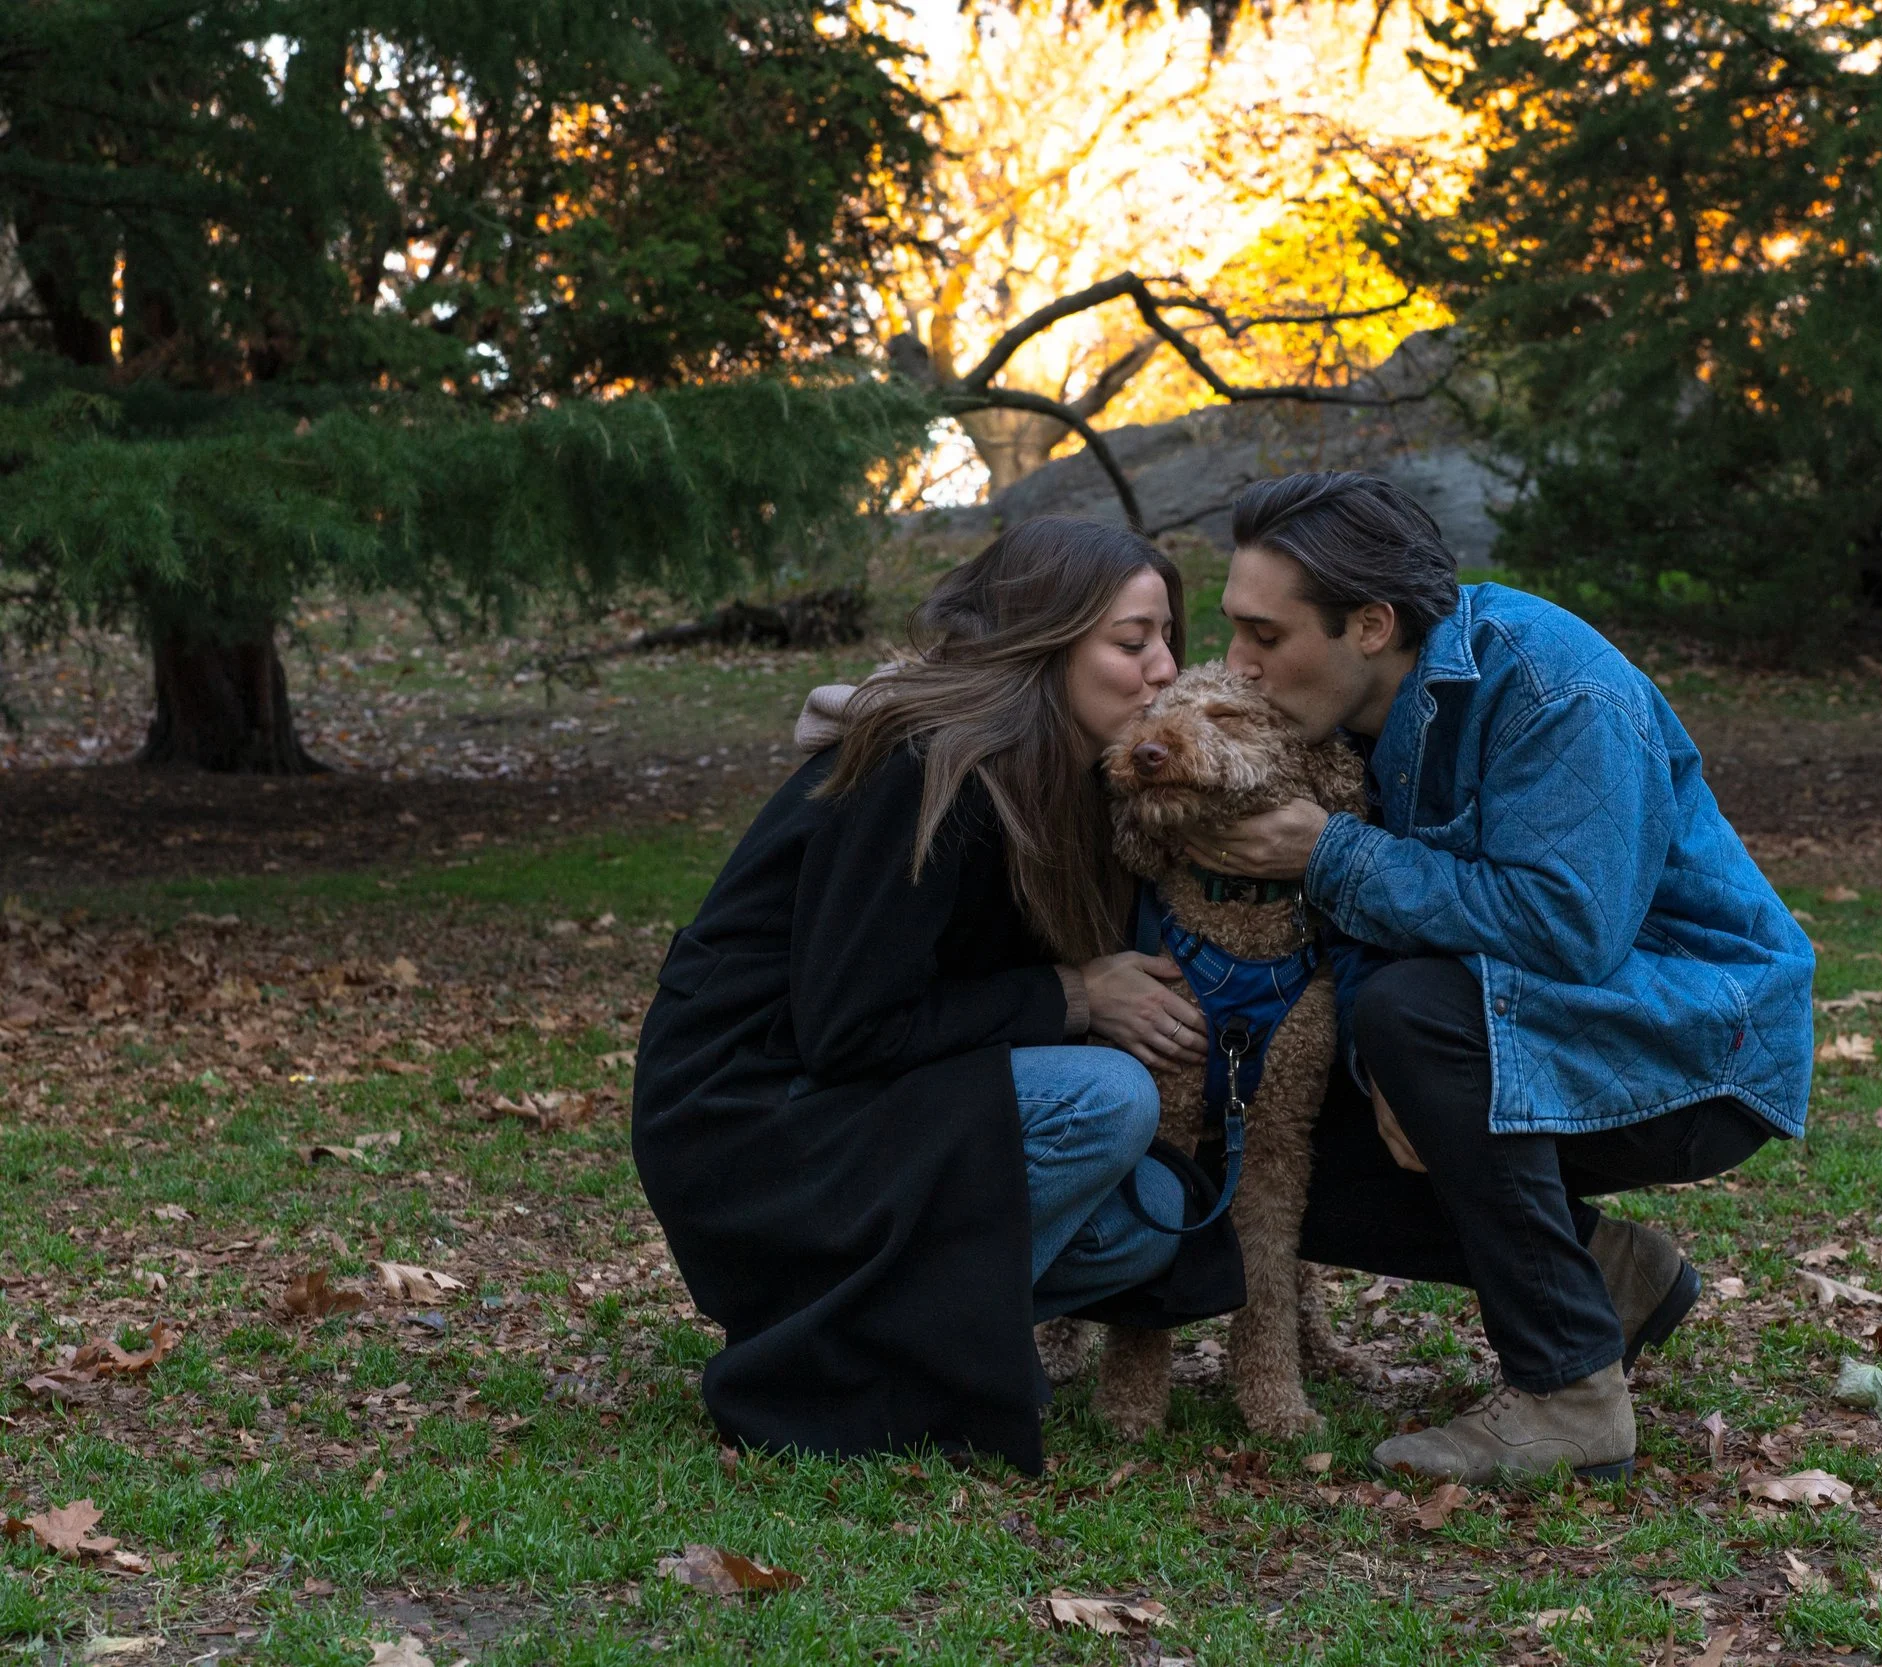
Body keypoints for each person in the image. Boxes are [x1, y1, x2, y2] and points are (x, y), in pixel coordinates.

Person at [1193, 471, 1816, 1484]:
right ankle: (1610, 1275)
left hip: (1697, 1043)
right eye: (1235, 631)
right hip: (1494, 1032)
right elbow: (1358, 945)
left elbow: (1567, 926)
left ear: (1370, 623)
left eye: (1265, 636)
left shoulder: (1554, 684)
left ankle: (1569, 1395)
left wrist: (1330, 856)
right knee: (1269, 1142)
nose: (1240, 665)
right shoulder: (1343, 726)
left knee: (1415, 1010)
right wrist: (1371, 1054)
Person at [632, 517, 1243, 1475]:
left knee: (1149, 1216)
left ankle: (889, 1333)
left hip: (864, 1104)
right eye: (1133, 642)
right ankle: (855, 1360)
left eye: (1169, 637)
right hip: (751, 1116)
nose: (1166, 667)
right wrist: (1071, 996)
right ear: (1043, 641)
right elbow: (848, 1026)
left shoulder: (1073, 777)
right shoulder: (927, 765)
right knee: (1107, 1101)